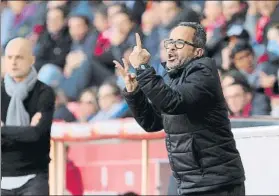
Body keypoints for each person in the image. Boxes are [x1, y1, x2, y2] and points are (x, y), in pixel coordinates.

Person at [114, 22, 245, 195]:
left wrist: (143, 68)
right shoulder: (170, 78)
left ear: (197, 51)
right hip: (191, 184)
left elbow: (173, 102)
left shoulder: (203, 71)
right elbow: (152, 122)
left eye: (179, 44)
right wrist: (134, 92)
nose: (171, 49)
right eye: (169, 43)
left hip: (217, 184)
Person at [1, 37, 55, 195]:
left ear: (32, 60)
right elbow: (30, 133)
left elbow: (37, 134)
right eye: (9, 57)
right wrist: (25, 131)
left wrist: (3, 129)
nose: (14, 62)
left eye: (19, 57)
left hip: (35, 177)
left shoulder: (44, 92)